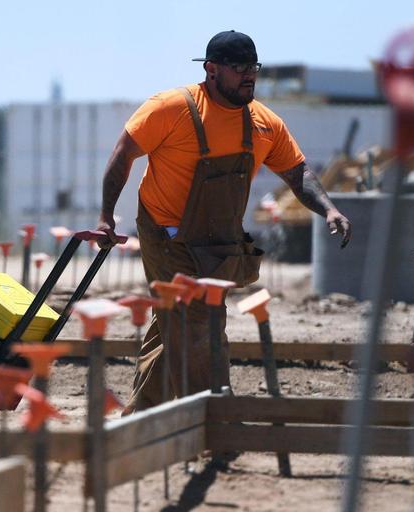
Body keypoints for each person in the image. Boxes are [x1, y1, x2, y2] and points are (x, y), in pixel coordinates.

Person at [96, 30, 352, 412]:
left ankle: (141, 414)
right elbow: (123, 154)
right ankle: (215, 414)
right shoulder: (171, 108)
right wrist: (105, 218)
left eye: (253, 67)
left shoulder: (264, 123)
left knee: (174, 326)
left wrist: (329, 209)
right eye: (239, 68)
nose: (249, 76)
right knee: (202, 321)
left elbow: (298, 172)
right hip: (166, 235)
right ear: (212, 70)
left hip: (218, 241)